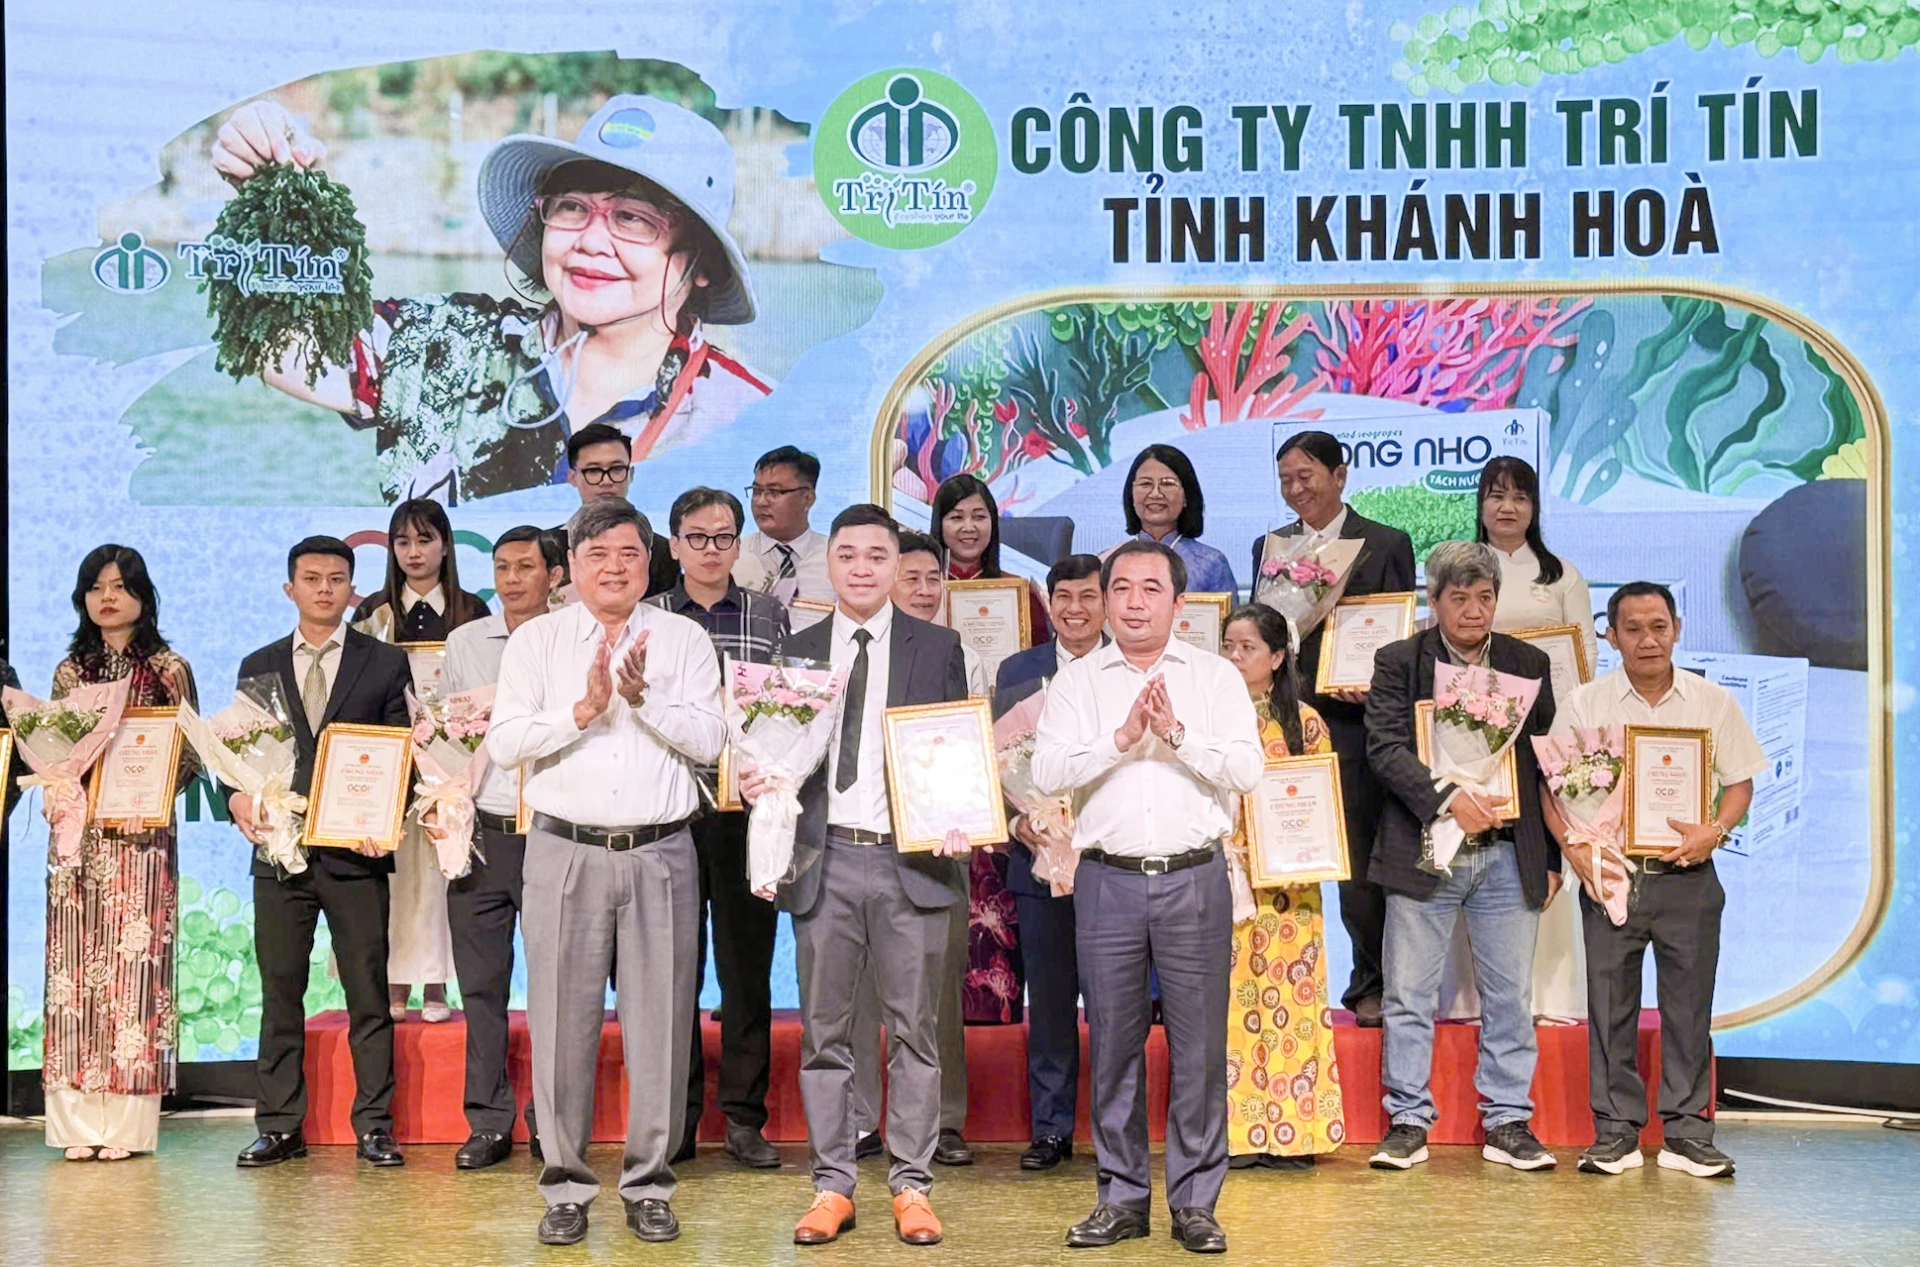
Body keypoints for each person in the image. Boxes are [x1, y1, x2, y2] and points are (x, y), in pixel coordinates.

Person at [211, 94, 769, 503]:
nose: (591, 242)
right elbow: (284, 350)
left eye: (633, 219)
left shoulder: (748, 419)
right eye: (572, 207)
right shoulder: (446, 344)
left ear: (699, 262)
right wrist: (273, 189)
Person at [489, 498, 723, 1246]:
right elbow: (504, 743)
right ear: (573, 565)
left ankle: (649, 1182)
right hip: (564, 851)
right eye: (598, 554)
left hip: (661, 851)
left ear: (649, 562)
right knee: (560, 1022)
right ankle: (564, 1185)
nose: (615, 567)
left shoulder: (682, 637)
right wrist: (583, 711)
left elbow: (713, 736)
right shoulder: (538, 642)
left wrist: (640, 699)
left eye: (628, 553)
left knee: (660, 1022)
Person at [740, 504, 971, 1248]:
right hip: (824, 858)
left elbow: (954, 745)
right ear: (830, 564)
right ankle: (833, 1184)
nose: (864, 567)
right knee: (825, 1034)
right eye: (849, 555)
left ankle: (911, 1184)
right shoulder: (799, 649)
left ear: (898, 566)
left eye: (879, 554)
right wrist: (756, 779)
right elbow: (773, 753)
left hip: (910, 859)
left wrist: (961, 811)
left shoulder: (938, 646)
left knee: (915, 1033)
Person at [1032, 540, 1261, 1255]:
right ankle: (1122, 1196)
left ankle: (1195, 1201)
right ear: (1104, 598)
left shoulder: (1215, 676)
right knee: (1115, 1045)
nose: (1134, 601)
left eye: (1149, 588)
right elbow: (1046, 768)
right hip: (1106, 879)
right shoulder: (1078, 680)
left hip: (1196, 877)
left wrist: (1177, 736)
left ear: (1178, 602)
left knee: (1198, 1047)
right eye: (1121, 588)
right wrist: (1122, 737)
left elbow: (1249, 768)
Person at [1554, 583, 1764, 1180]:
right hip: (1612, 875)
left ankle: (1688, 1134)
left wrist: (1714, 831)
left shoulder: (1712, 701)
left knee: (1689, 1008)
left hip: (1689, 877)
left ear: (1676, 628)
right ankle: (1615, 1131)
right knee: (1610, 1007)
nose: (1647, 639)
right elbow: (1553, 789)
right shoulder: (1585, 705)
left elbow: (1741, 781)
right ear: (1611, 635)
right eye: (1632, 628)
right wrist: (1577, 854)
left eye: (1658, 626)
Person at [1363, 541, 1558, 1173]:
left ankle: (1508, 1122)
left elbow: (1545, 766)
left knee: (1510, 996)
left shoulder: (1528, 662)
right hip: (1424, 850)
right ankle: (1408, 1121)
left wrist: (1552, 856)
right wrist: (1448, 798)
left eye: (1485, 597)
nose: (1474, 610)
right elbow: (1385, 749)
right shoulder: (1399, 660)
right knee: (1408, 993)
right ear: (1435, 600)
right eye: (1459, 597)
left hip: (1507, 854)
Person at [230, 536, 414, 1170]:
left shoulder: (385, 663)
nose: (324, 589)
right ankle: (279, 1124)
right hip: (279, 855)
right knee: (280, 992)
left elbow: (402, 756)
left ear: (352, 589)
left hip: (356, 855)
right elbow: (239, 754)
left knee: (368, 994)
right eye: (311, 579)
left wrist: (385, 816)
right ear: (291, 589)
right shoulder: (258, 664)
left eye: (337, 578)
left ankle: (375, 1125)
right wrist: (234, 799)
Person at [642, 486, 790, 1170]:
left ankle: (743, 1118)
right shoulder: (649, 618)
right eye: (696, 537)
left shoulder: (768, 613)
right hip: (666, 814)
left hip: (743, 819)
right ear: (673, 544)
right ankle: (673, 1120)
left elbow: (787, 712)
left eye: (724, 537)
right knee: (669, 976)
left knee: (746, 973)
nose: (710, 549)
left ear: (739, 544)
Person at [1252, 430, 1416, 1027]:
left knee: (1359, 860)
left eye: (1307, 475)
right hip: (1286, 723)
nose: (1297, 489)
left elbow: (1397, 636)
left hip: (1355, 724)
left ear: (1340, 476)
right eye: (1286, 479)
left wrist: (1377, 680)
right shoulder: (1269, 546)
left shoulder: (1384, 542)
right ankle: (1280, 979)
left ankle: (1370, 983)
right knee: (1284, 850)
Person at [41, 546, 197, 1161]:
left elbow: (188, 752)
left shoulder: (168, 668)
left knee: (135, 972)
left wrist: (150, 794)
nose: (108, 597)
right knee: (74, 972)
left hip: (142, 835)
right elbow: (53, 746)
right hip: (80, 836)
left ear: (142, 595)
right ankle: (76, 1124)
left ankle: (127, 1124)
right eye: (96, 587)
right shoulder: (69, 672)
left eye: (121, 586)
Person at [1441, 456, 1599, 1025]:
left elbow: (1584, 660)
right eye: (1496, 495)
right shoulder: (1457, 567)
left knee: (1541, 850)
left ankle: (1551, 997)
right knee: (1469, 852)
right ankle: (1467, 1000)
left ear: (1534, 508)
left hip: (1543, 732)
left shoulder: (1560, 576)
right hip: (1467, 740)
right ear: (1480, 503)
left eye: (1520, 497)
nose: (1507, 507)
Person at [439, 526, 565, 1171]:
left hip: (553, 832)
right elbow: (445, 734)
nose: (512, 579)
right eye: (502, 567)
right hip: (482, 834)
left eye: (526, 566)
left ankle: (551, 1120)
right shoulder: (465, 643)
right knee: (482, 986)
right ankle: (487, 1121)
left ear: (554, 575)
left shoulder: (572, 637)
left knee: (554, 985)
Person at [350, 498, 488, 1025]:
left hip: (452, 769)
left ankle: (438, 985)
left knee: (444, 876)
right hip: (390, 769)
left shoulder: (472, 611)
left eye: (425, 540)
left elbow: (482, 691)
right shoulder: (374, 615)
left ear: (447, 545)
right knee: (394, 880)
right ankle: (395, 981)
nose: (414, 552)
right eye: (403, 542)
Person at [1218, 604, 1344, 1170]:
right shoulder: (1209, 716)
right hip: (1226, 884)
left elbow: (1323, 809)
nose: (1235, 656)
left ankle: (1296, 1132)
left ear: (1276, 656)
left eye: (1247, 647)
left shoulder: (1305, 721)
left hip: (1292, 891)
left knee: (1293, 1006)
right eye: (1228, 645)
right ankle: (1240, 1134)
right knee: (1229, 1009)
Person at [992, 553, 1107, 1171]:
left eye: (1088, 596)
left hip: (1115, 866)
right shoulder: (1018, 670)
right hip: (1037, 864)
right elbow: (994, 766)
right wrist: (1019, 823)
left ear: (1107, 602)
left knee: (1118, 1005)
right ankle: (1052, 1129)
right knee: (1052, 1001)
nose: (1075, 609)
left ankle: (1119, 1130)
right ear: (1048, 602)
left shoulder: (1129, 667)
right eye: (1063, 597)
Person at [558, 423, 681, 599]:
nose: (606, 481)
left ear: (631, 474)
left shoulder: (662, 551)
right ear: (572, 477)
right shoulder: (546, 547)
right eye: (593, 471)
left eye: (616, 469)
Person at [930, 473, 1051, 644]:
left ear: (993, 523)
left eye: (979, 517)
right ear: (939, 524)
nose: (969, 527)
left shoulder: (1020, 594)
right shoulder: (922, 593)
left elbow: (1039, 657)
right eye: (956, 517)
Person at [1121, 444, 1238, 597]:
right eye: (1145, 484)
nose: (1155, 494)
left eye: (1167, 484)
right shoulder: (1110, 560)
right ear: (1131, 495)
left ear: (1187, 496)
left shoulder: (1211, 563)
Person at [734, 446, 835, 610]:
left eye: (774, 492)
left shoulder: (836, 559)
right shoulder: (732, 557)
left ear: (807, 498)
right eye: (757, 491)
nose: (761, 501)